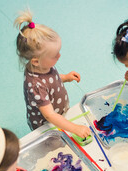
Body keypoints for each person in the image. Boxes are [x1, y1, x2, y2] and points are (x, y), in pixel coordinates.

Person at [14, 9, 90, 138]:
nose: (59, 56)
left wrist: (65, 77)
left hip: (58, 113)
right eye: (55, 55)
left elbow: (51, 80)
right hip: (46, 123)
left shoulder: (44, 66)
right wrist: (74, 128)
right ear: (36, 61)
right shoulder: (35, 85)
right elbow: (50, 115)